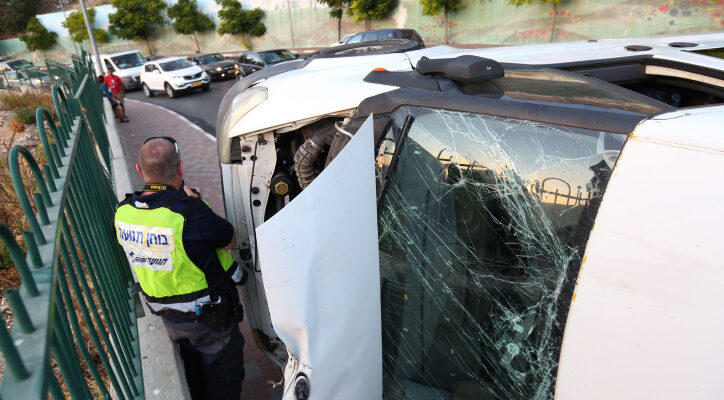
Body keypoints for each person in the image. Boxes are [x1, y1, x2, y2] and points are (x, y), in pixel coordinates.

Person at [114, 137, 246, 400]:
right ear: (181, 168)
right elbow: (229, 239)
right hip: (211, 322)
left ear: (140, 171)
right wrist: (197, 203)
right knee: (224, 381)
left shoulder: (122, 213)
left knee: (194, 377)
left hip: (169, 317)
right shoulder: (189, 213)